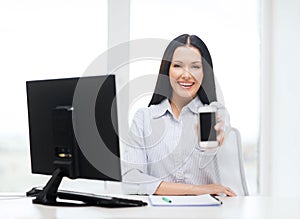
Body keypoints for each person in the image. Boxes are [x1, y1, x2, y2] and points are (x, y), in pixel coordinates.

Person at [122, 34, 236, 197]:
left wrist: (219, 134)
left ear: (205, 73)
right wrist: (196, 190)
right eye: (178, 66)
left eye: (195, 66)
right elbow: (131, 180)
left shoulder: (215, 113)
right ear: (167, 70)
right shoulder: (144, 118)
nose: (186, 74)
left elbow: (222, 125)